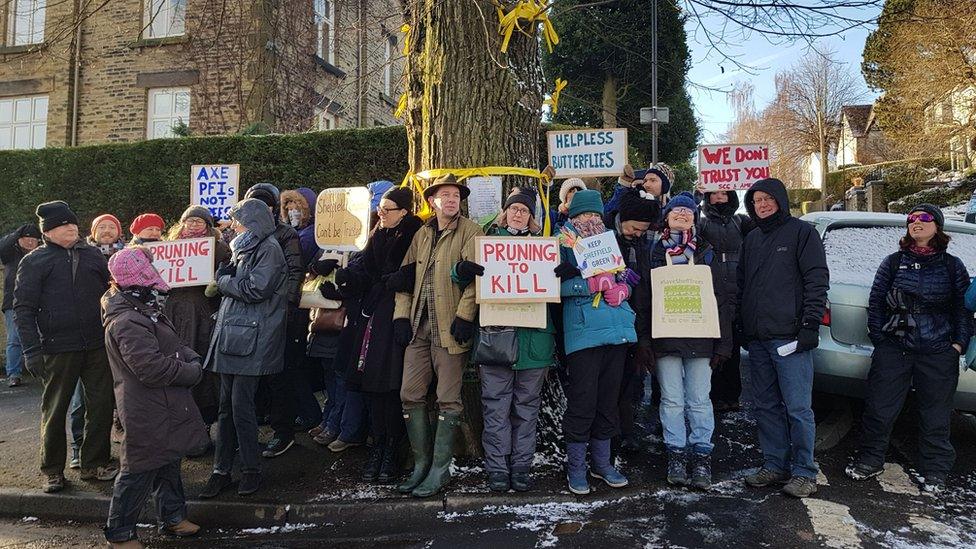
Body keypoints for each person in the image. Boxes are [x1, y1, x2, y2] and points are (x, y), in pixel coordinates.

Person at [846, 205, 972, 492]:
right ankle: (870, 459)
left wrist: (957, 345)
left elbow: (962, 309)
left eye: (925, 218)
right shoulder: (892, 262)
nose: (917, 223)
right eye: (912, 219)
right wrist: (880, 338)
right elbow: (876, 301)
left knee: (936, 414)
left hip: (938, 350)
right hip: (895, 347)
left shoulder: (953, 265)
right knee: (879, 408)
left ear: (938, 226)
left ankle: (936, 469)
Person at [101, 247, 207, 548]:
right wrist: (192, 371)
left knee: (168, 460)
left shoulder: (142, 306)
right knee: (138, 469)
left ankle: (172, 518)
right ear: (138, 278)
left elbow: (170, 345)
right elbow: (150, 369)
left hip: (162, 403)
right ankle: (120, 534)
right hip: (146, 406)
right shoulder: (128, 319)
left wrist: (190, 356)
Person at [15, 201, 118, 493]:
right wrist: (31, 350)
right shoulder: (34, 261)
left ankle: (94, 463)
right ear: (47, 231)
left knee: (100, 406)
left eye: (73, 223)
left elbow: (111, 292)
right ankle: (52, 470)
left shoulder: (93, 255)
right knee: (55, 409)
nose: (71, 227)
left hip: (97, 344)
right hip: (57, 347)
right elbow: (23, 308)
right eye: (63, 224)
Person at [393, 174, 483, 498]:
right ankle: (421, 464)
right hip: (419, 326)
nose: (450, 200)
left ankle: (440, 469)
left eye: (455, 195)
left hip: (450, 328)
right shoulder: (422, 233)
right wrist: (401, 317)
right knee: (410, 393)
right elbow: (405, 279)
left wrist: (465, 316)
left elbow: (476, 280)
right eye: (444, 195)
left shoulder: (471, 231)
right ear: (432, 201)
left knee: (449, 398)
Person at [738, 178, 828, 499]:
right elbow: (743, 285)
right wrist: (742, 326)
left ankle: (804, 471)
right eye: (756, 200)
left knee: (798, 408)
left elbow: (817, 281)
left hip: (790, 338)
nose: (762, 205)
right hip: (759, 340)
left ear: (780, 200)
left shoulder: (802, 233)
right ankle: (774, 464)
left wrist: (810, 325)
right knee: (765, 406)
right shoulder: (751, 240)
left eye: (767, 199)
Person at [460, 189, 556, 492]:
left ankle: (521, 467)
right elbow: (461, 275)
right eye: (514, 208)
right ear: (505, 212)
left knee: (526, 409)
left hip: (534, 344)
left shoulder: (543, 249)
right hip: (496, 341)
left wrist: (561, 274)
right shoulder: (487, 243)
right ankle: (498, 468)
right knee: (495, 408)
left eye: (524, 211)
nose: (518, 214)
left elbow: (559, 287)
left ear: (531, 218)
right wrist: (462, 270)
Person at [199, 198, 288, 498]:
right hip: (235, 336)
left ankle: (250, 469)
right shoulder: (246, 245)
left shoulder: (268, 249)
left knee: (241, 408)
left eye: (238, 219)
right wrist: (228, 275)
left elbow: (256, 289)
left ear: (251, 221)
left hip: (252, 337)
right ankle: (221, 470)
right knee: (227, 408)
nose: (233, 224)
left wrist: (223, 281)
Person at [646, 192, 734, 489]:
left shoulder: (706, 251)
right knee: (671, 400)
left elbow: (720, 298)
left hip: (701, 337)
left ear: (694, 218)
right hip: (666, 337)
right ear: (666, 217)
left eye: (687, 211)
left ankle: (701, 455)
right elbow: (645, 299)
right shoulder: (655, 251)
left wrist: (723, 342)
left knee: (699, 400)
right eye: (675, 211)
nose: (681, 215)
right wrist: (644, 340)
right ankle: (676, 453)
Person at [336, 187, 422, 483]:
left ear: (404, 212)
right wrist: (346, 278)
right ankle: (378, 443)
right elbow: (367, 270)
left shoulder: (415, 233)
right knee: (372, 384)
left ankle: (392, 449)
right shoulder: (379, 234)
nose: (380, 214)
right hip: (373, 315)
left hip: (396, 315)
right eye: (380, 209)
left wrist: (403, 278)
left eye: (387, 209)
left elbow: (421, 271)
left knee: (391, 385)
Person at [555, 189, 638, 495]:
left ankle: (602, 463)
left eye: (594, 214)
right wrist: (584, 285)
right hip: (584, 332)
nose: (589, 220)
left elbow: (626, 275)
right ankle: (576, 466)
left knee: (608, 401)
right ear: (572, 216)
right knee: (583, 402)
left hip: (617, 329)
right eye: (583, 214)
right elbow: (550, 284)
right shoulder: (562, 242)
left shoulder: (609, 240)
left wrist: (625, 290)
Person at [242, 183, 306, 458]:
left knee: (281, 375)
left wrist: (286, 308)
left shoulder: (285, 234)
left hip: (277, 314)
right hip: (250, 316)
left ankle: (283, 431)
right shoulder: (242, 237)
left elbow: (295, 271)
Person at [162, 206, 232, 456]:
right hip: (172, 312)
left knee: (199, 367)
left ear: (208, 225)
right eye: (188, 221)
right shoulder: (167, 248)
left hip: (201, 314)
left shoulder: (219, 248)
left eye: (198, 222)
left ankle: (201, 426)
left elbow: (225, 275)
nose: (192, 226)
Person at [605, 189, 660, 454]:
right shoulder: (606, 239)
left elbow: (645, 289)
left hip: (637, 318)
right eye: (635, 228)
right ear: (623, 219)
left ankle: (627, 431)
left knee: (631, 383)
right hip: (610, 319)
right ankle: (611, 433)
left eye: (643, 230)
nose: (638, 233)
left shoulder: (642, 245)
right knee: (611, 383)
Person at [697, 189, 754, 411]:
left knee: (733, 349)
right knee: (713, 348)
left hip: (736, 291)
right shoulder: (702, 223)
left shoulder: (741, 221)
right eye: (715, 193)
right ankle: (715, 395)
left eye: (724, 193)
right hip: (711, 292)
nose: (720, 197)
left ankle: (732, 395)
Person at [1, 223, 40, 387]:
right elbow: (2, 245)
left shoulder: (41, 255)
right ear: (19, 240)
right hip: (13, 302)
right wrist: (17, 233)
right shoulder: (10, 254)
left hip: (39, 302)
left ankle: (42, 371)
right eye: (26, 238)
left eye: (34, 239)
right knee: (14, 339)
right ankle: (14, 373)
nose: (30, 242)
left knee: (43, 337)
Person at [603, 163, 672, 217]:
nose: (647, 185)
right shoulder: (632, 202)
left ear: (665, 185)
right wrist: (623, 187)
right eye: (645, 181)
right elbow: (607, 214)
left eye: (653, 180)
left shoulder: (673, 210)